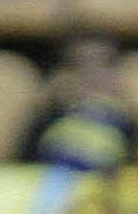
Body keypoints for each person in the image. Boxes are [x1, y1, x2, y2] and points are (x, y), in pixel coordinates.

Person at [18, 34, 138, 174]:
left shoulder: (125, 120)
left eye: (104, 66)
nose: (92, 76)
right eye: (78, 66)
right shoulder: (49, 116)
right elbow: (27, 160)